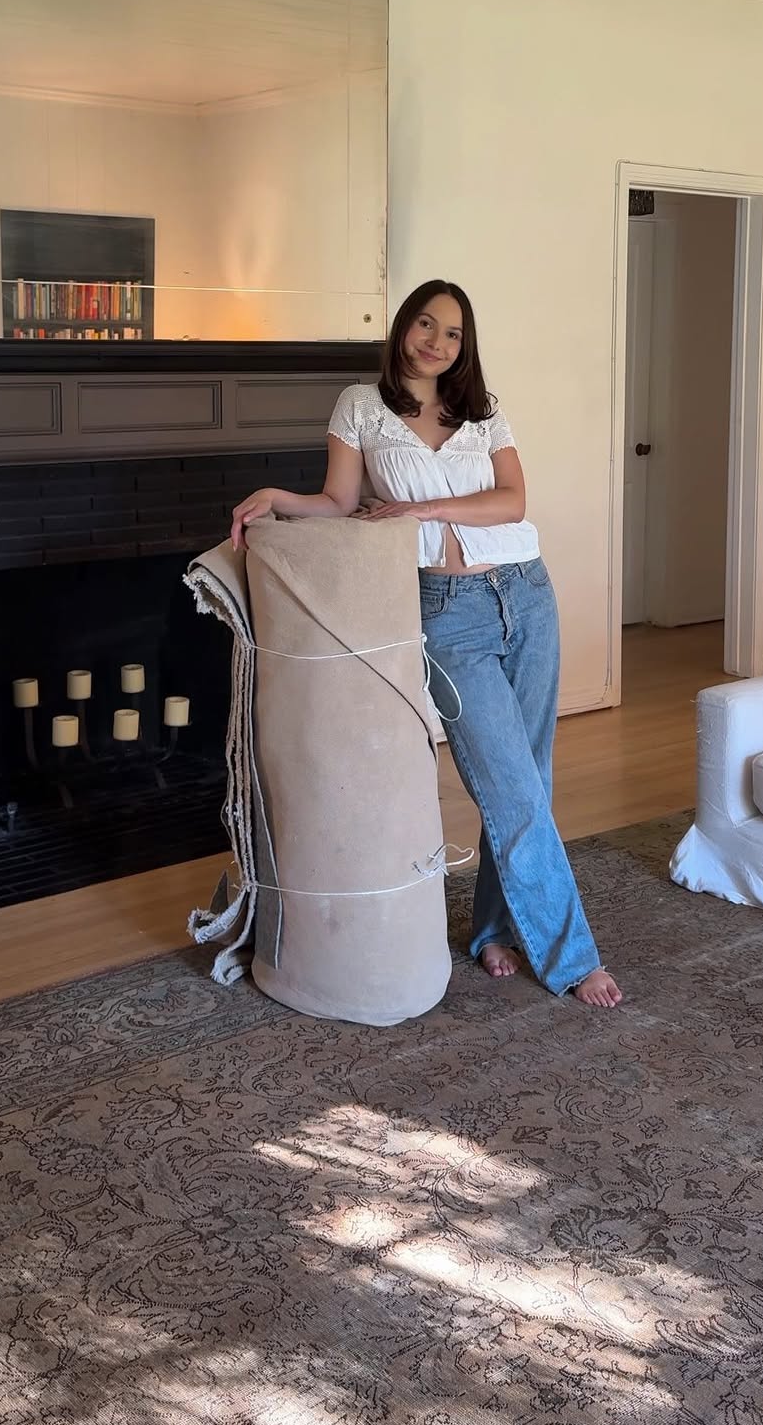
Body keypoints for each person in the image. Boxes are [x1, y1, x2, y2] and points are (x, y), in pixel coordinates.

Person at [231, 281, 622, 1008]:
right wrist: (277, 498)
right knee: (509, 787)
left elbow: (513, 502)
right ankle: (571, 959)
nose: (437, 342)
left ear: (463, 347)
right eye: (425, 324)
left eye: (453, 333)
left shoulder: (484, 411)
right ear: (403, 328)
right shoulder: (360, 406)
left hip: (526, 592)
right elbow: (340, 504)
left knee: (529, 779)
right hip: (447, 611)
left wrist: (424, 508)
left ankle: (493, 930)